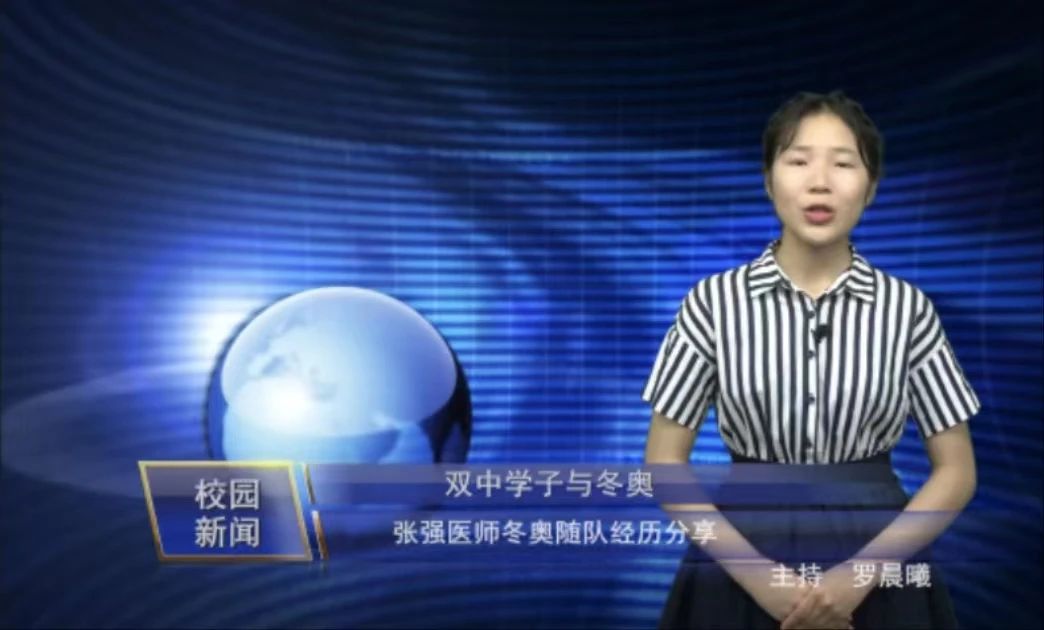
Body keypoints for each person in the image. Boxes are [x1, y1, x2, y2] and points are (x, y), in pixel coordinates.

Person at [641, 90, 980, 629]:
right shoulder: (713, 303)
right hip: (741, 560)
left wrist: (859, 576)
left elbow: (957, 471)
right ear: (768, 180)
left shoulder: (907, 309)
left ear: (871, 187)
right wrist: (762, 580)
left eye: (843, 164)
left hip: (880, 561)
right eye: (798, 161)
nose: (819, 182)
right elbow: (664, 464)